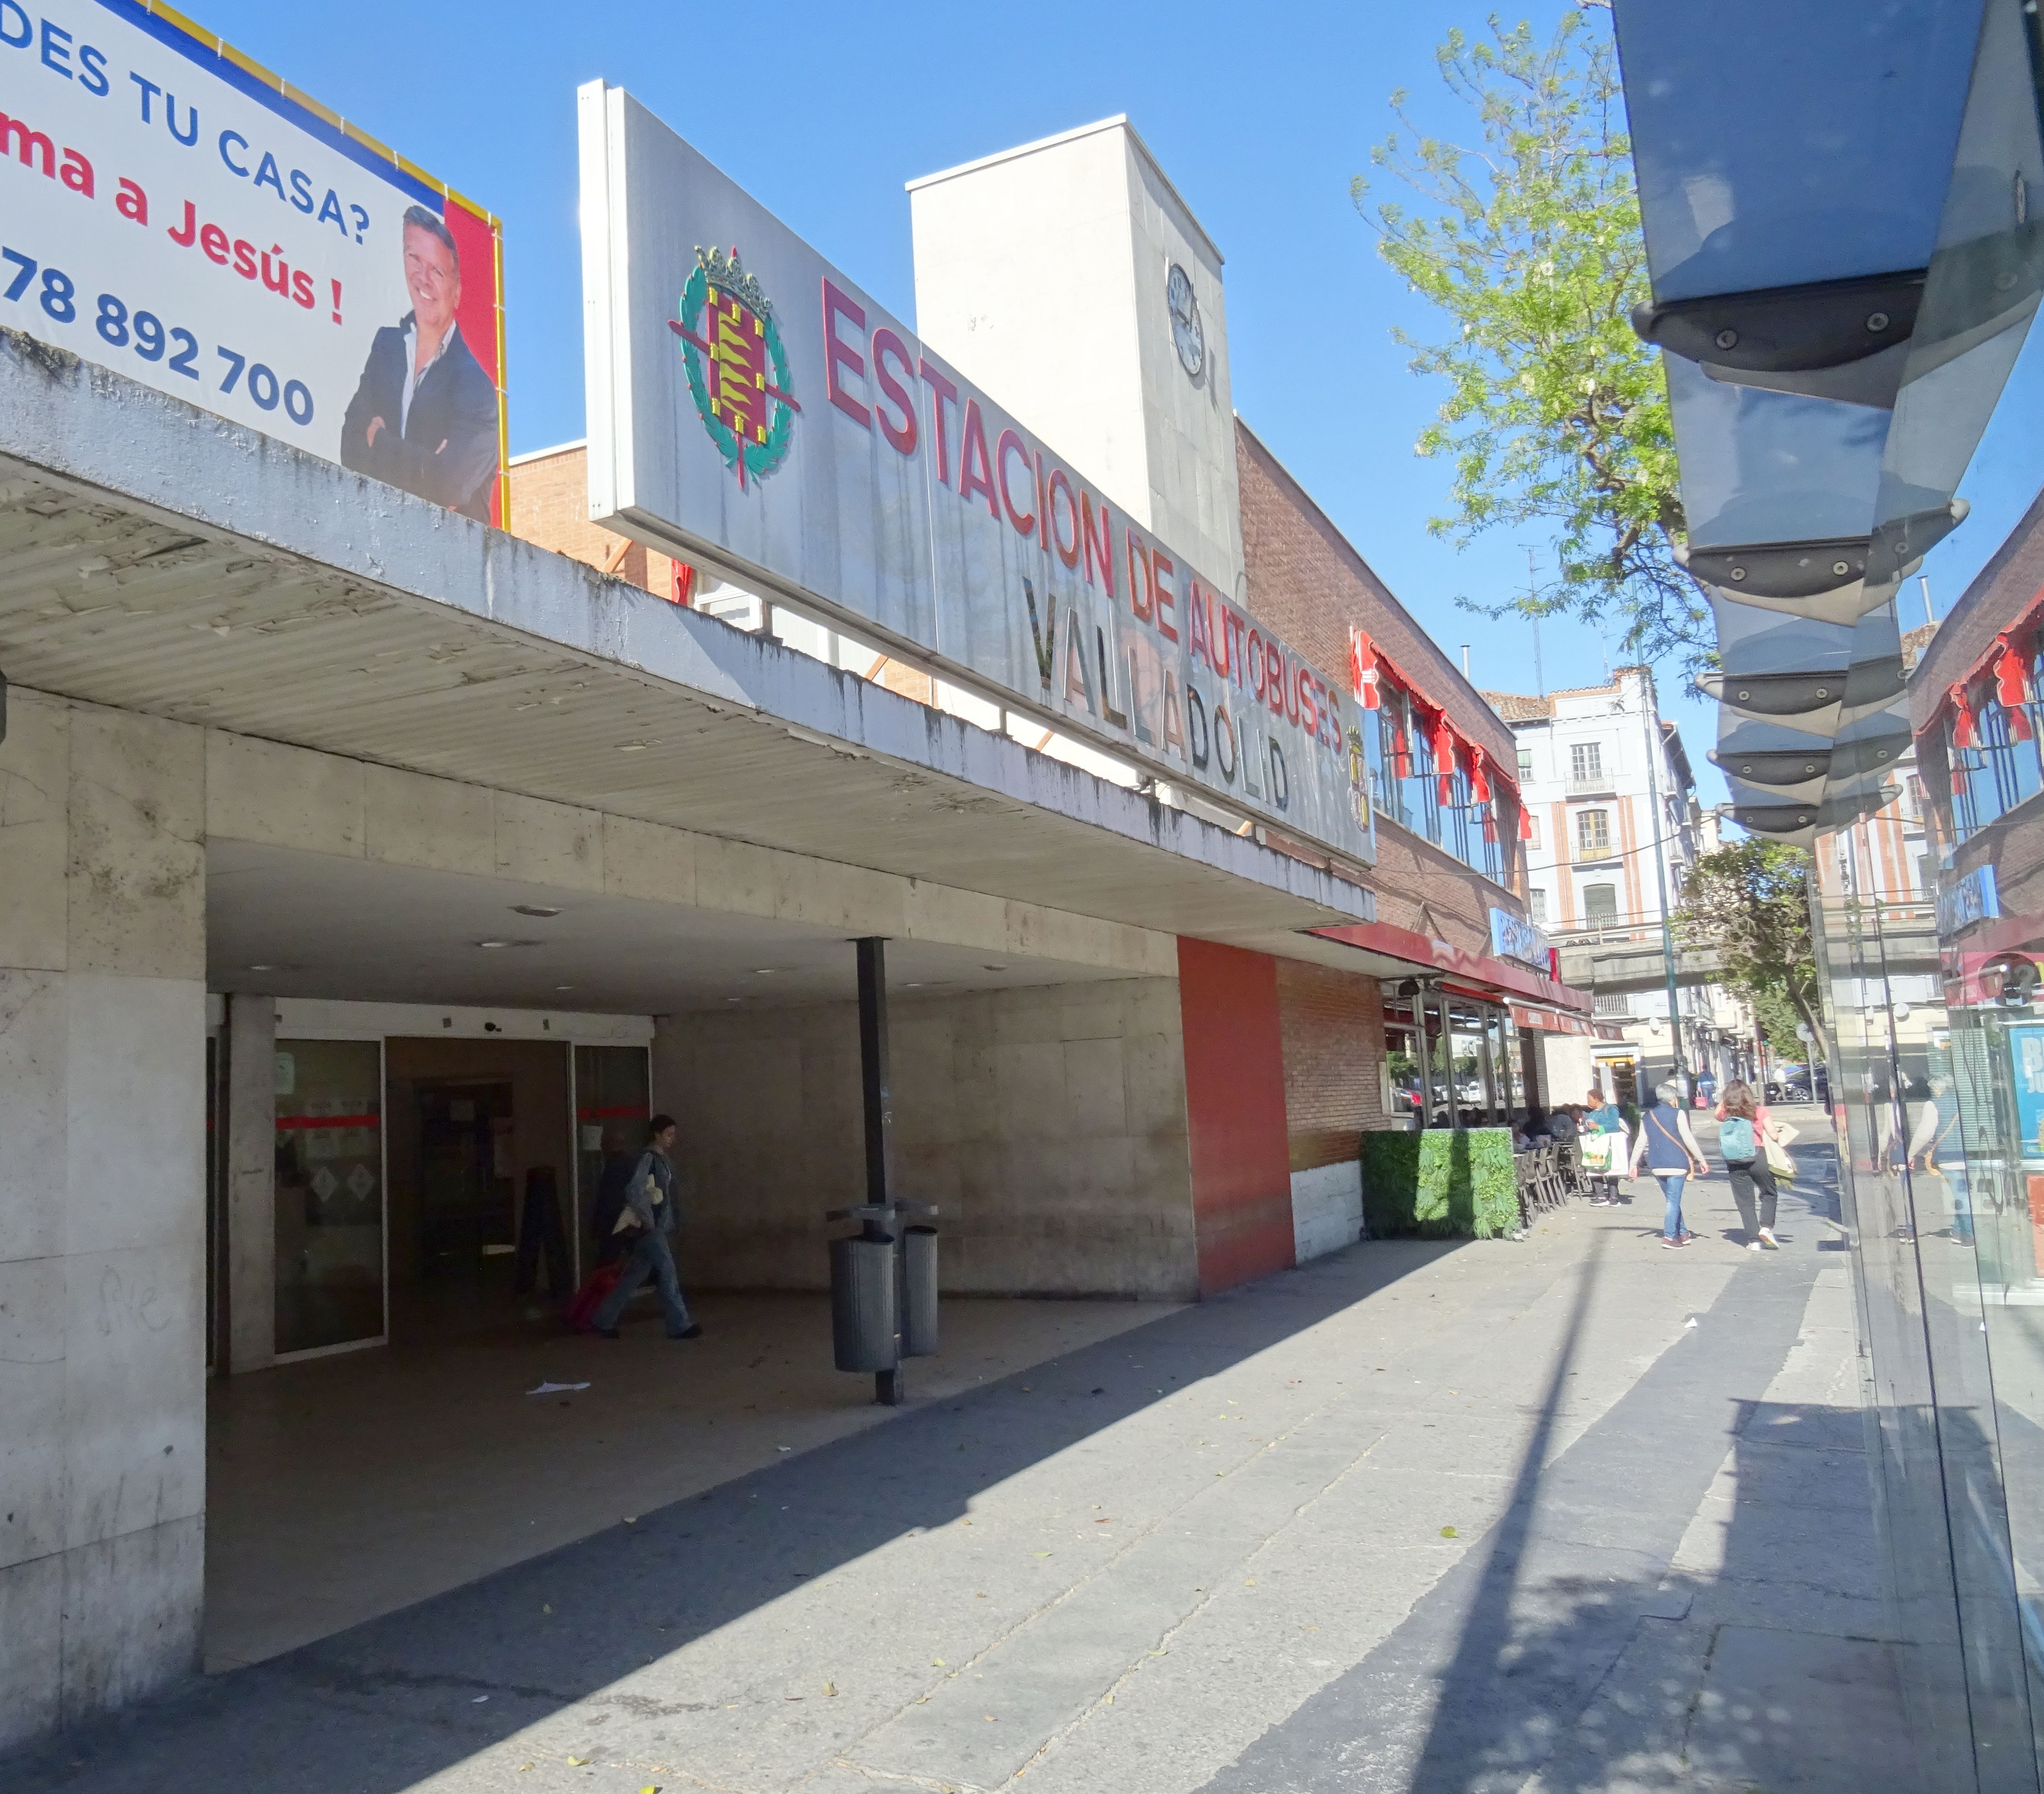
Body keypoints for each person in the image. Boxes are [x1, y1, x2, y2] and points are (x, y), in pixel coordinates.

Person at [340, 205, 498, 521]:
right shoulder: (387, 346)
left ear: (457, 292)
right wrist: (425, 464)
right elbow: (350, 447)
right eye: (414, 259)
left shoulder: (476, 387)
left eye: (438, 271)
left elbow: (448, 486)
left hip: (448, 559)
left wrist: (380, 442)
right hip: (377, 533)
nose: (423, 279)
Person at [592, 1115, 702, 1340]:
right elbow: (635, 1191)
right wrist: (650, 1221)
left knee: (633, 1277)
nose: (672, 1139)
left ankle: (603, 1319)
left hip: (653, 1227)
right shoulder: (648, 1159)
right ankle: (679, 1324)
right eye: (669, 1135)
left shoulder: (661, 1160)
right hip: (652, 1229)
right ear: (657, 1135)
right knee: (668, 1273)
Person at [1630, 1078, 1708, 1248]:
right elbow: (1688, 1139)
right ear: (1673, 1099)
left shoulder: (1648, 1116)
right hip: (1677, 1164)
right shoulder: (1678, 1113)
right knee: (1673, 1201)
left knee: (1672, 1200)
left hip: (1657, 1165)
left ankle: (1683, 1233)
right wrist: (1701, 1160)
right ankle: (1669, 1237)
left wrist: (1633, 1164)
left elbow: (1640, 1142)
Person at [1716, 1079, 1781, 1250]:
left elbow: (1716, 1113)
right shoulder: (1759, 1111)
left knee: (1745, 1202)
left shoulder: (1727, 1114)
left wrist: (1727, 1099)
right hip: (1758, 1157)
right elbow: (1774, 1136)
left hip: (1735, 1162)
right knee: (1769, 1193)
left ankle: (1754, 1241)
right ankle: (1766, 1228)